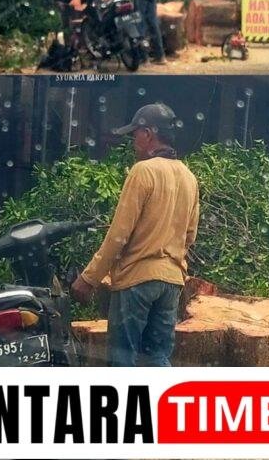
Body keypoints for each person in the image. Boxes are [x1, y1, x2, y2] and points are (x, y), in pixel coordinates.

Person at [70, 103, 200, 366]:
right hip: (171, 282)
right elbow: (190, 235)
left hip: (137, 281)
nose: (133, 141)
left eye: (135, 134)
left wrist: (89, 278)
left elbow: (119, 235)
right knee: (158, 358)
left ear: (148, 133)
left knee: (122, 361)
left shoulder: (143, 171)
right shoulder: (189, 177)